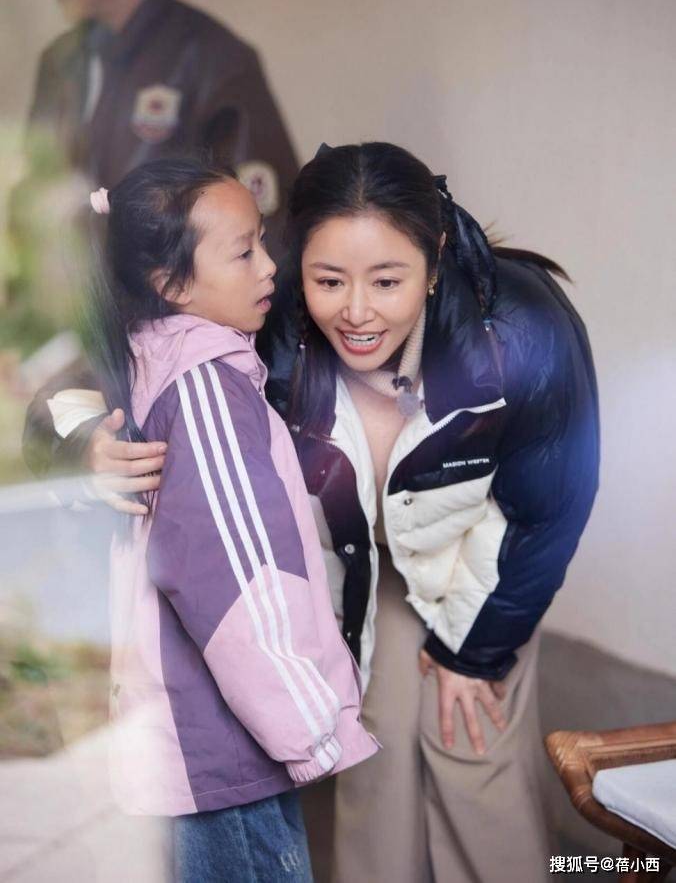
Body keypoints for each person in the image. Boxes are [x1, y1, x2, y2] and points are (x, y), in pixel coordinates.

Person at [23, 142, 599, 883]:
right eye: (329, 280)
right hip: (353, 558)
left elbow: (552, 510)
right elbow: (96, 371)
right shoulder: (260, 303)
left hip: (478, 552)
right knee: (372, 753)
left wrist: (476, 654)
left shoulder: (524, 328)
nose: (355, 311)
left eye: (387, 281)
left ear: (435, 256)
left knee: (470, 750)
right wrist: (84, 448)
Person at [81, 156, 377, 881]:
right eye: (243, 252)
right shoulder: (205, 390)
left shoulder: (156, 356)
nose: (270, 267)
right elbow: (234, 577)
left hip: (204, 738)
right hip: (227, 747)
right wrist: (310, 725)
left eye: (263, 242)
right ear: (171, 284)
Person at [4, 0, 298, 353]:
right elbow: (33, 189)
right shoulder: (60, 61)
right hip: (70, 325)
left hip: (173, 337)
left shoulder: (212, 55)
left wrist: (272, 357)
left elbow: (265, 214)